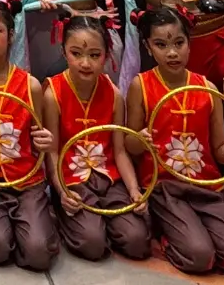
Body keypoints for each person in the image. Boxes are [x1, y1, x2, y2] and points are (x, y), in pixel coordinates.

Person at [126, 8, 224, 276]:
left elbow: (220, 150)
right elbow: (129, 144)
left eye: (179, 43)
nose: (172, 53)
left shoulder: (207, 88)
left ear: (189, 42)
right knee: (200, 257)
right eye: (161, 45)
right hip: (164, 186)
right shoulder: (141, 86)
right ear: (148, 47)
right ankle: (165, 233)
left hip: (207, 187)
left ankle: (198, 228)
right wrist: (141, 140)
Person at [39, 14, 150, 262]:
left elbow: (119, 151)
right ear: (63, 52)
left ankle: (107, 219)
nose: (85, 63)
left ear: (107, 55)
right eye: (76, 53)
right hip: (71, 180)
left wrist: (134, 190)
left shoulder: (114, 94)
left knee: (137, 241)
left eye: (94, 55)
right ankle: (71, 216)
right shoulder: (53, 93)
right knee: (92, 244)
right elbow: (52, 151)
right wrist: (62, 191)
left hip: (110, 178)